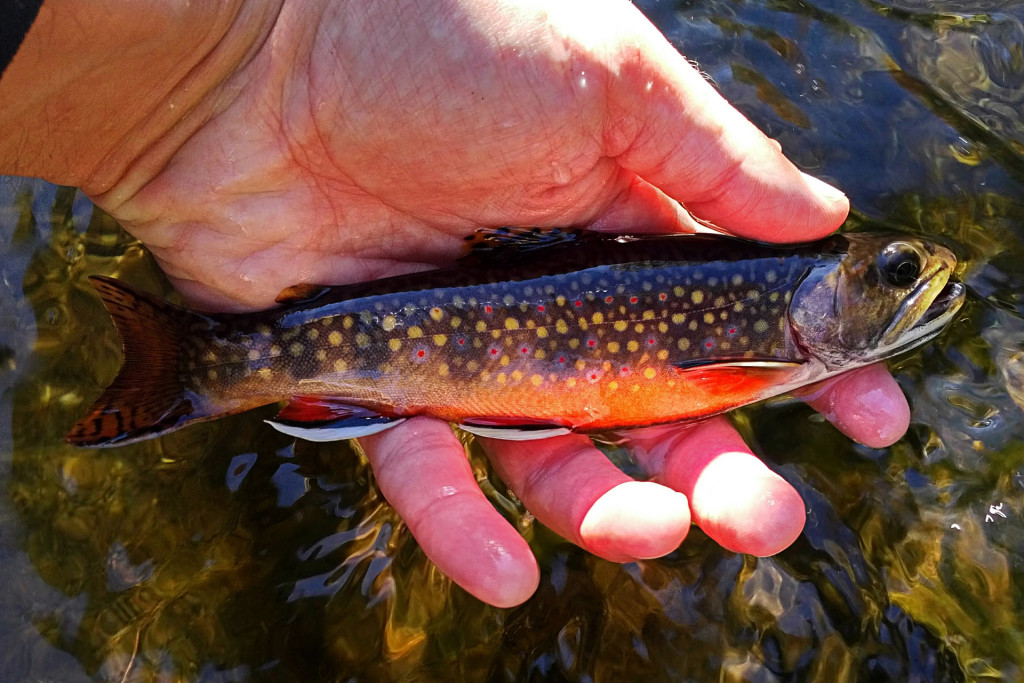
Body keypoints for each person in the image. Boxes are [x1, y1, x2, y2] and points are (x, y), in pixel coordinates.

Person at [0, 0, 909, 608]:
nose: (912, 285)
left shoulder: (768, 310)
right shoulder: (775, 336)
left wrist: (249, 39)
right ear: (824, 289)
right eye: (894, 273)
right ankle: (204, 364)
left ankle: (207, 362)